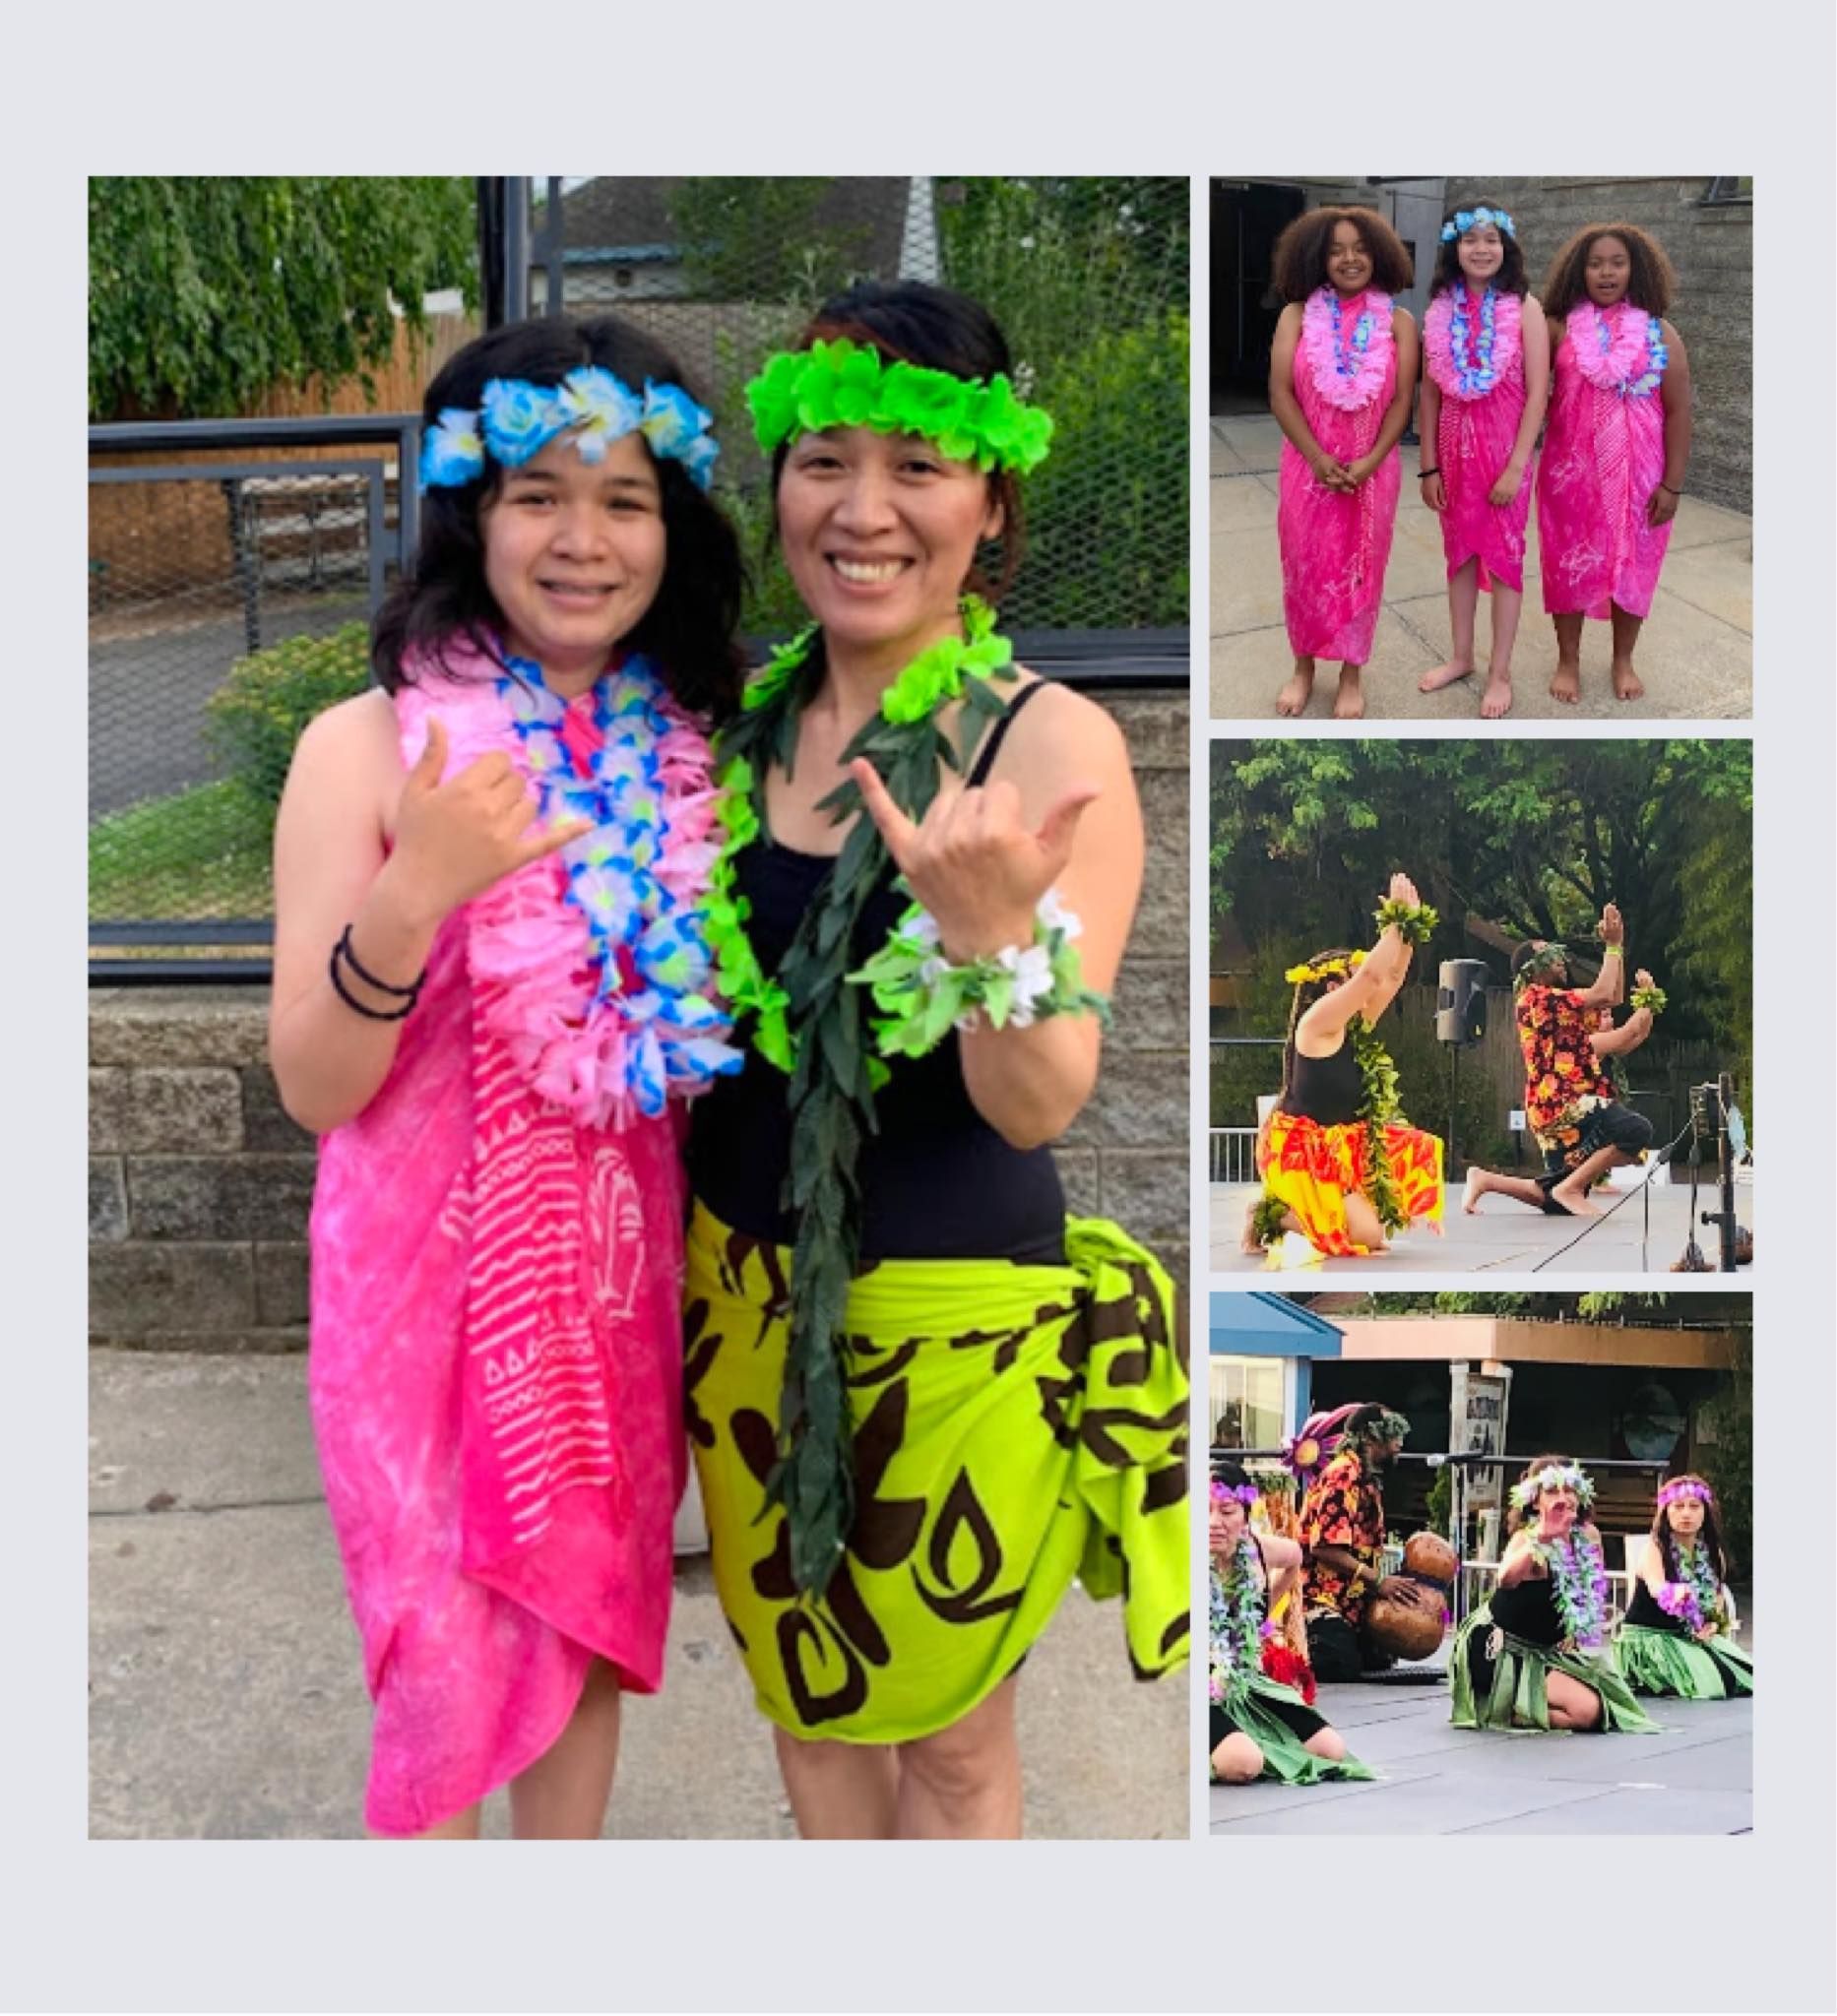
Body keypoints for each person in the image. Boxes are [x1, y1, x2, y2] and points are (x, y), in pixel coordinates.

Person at [680, 281, 1188, 1840]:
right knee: (809, 1716)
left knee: (951, 1745)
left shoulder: (1044, 747)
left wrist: (985, 937)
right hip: (740, 1310)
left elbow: (1036, 1101)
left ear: (989, 499)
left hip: (947, 1323)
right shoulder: (735, 728)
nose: (864, 508)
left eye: (918, 464)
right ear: (776, 486)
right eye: (824, 458)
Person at [270, 317, 744, 1837]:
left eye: (626, 500)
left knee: (585, 1637)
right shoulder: (363, 748)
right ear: (472, 510)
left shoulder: (692, 745)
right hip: (418, 1302)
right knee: (435, 1673)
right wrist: (417, 893)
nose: (584, 539)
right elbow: (314, 1087)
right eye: (541, 493)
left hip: (609, 1286)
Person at [1266, 206, 1421, 721]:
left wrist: (1373, 461)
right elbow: (1280, 392)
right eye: (1336, 250)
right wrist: (1316, 458)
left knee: (1361, 568)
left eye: (1359, 248)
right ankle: (1303, 668)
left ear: (1378, 256)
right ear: (1317, 258)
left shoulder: (1399, 323)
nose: (1349, 259)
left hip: (1372, 472)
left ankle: (1352, 672)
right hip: (1308, 467)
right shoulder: (1296, 315)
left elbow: (1402, 402)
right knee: (1304, 566)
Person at [1245, 874, 1444, 1260]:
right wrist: (1394, 920)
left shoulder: (1356, 1024)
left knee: (1411, 1168)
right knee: (1367, 1236)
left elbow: (1391, 976)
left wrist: (1408, 928)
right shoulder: (1316, 1024)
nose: (1364, 983)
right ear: (1334, 988)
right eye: (1353, 978)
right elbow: (1372, 974)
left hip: (1338, 1144)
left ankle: (1302, 1212)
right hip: (1297, 1148)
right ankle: (1271, 1215)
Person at [1536, 222, 1693, 705]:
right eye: (1595, 263)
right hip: (1570, 476)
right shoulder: (1557, 327)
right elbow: (1523, 390)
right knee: (1568, 565)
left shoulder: (1659, 332)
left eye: (1617, 263)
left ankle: (1623, 658)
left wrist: (1672, 484)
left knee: (1633, 568)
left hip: (1639, 479)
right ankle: (1568, 658)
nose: (1606, 272)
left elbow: (1679, 410)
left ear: (1636, 269)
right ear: (1578, 271)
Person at [1415, 204, 1551, 720]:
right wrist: (1429, 465)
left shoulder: (1525, 308)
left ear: (1506, 246)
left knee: (1505, 560)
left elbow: (1538, 391)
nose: (1481, 248)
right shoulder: (1438, 311)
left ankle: (1500, 672)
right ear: (1454, 248)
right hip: (1452, 452)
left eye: (1491, 239)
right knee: (1460, 556)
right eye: (1470, 239)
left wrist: (1518, 464)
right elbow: (1428, 394)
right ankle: (1462, 657)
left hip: (1503, 455)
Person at [1461, 905, 1661, 1222]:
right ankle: (1569, 1189)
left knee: (1553, 1194)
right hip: (1563, 1101)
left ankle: (1487, 1179)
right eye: (1548, 954)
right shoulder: (1536, 998)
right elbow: (1608, 997)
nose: (1558, 958)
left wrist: (1617, 948)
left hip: (1552, 1107)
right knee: (1636, 1130)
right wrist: (1612, 945)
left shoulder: (1559, 1003)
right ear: (1531, 969)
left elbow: (1613, 997)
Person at [1450, 1457, 1657, 1733]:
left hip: (1545, 1650)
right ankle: (1504, 1706)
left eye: (1569, 1489)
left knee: (1613, 1698)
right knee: (1587, 1712)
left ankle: (1525, 1705)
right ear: (1535, 1501)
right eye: (1551, 1490)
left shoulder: (1588, 1537)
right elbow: (1506, 1579)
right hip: (1503, 1651)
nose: (1562, 1497)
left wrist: (1573, 1631)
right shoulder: (1527, 1538)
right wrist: (1544, 1538)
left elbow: (1588, 1592)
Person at [1210, 1464, 1369, 1786]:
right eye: (1205, 1510)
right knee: (1242, 1764)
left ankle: (1247, 1736)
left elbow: (1296, 1557)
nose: (1213, 1523)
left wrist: (1266, 1607)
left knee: (1330, 1750)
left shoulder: (1258, 1550)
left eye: (1226, 1511)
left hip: (1245, 1681)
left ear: (1245, 1516)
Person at [1293, 1404, 1434, 1680]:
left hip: (1354, 1602)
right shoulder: (1342, 1474)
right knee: (1339, 1664)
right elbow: (1323, 1547)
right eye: (1393, 1433)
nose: (1399, 1443)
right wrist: (1378, 1581)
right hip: (1323, 1601)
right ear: (1370, 1437)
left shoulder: (1364, 1477)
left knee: (1378, 1660)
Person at [1616, 1475, 1753, 1699]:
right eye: (1678, 1507)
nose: (1686, 1513)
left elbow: (1715, 1600)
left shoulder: (1712, 1553)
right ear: (1666, 1512)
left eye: (1694, 1506)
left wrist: (1712, 1625)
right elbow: (1656, 1586)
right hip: (1650, 1640)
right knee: (1712, 1685)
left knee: (1743, 1675)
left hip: (1686, 1637)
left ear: (1705, 1513)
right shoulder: (1655, 1548)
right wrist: (1675, 1593)